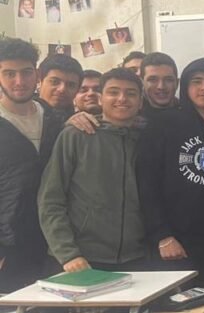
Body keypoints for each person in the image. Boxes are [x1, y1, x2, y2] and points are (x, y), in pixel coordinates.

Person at [136, 58, 204, 288]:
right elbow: (147, 184)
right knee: (176, 308)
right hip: (174, 242)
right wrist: (162, 236)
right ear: (185, 87)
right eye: (196, 81)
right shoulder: (162, 124)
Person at [37, 68, 148, 272]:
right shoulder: (76, 135)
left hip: (136, 258)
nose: (122, 98)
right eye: (113, 92)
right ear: (101, 98)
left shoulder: (147, 139)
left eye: (131, 93)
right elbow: (51, 199)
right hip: (80, 259)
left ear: (140, 101)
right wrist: (68, 253)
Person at [0, 38, 63, 292]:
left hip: (56, 244)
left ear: (37, 74)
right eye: (9, 73)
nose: (19, 81)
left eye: (26, 72)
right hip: (11, 247)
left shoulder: (56, 120)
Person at [36, 53, 83, 121]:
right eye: (54, 82)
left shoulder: (81, 123)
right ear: (39, 80)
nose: (62, 89)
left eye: (70, 85)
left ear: (77, 89)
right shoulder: (23, 116)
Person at [140, 52, 179, 118]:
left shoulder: (191, 117)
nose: (161, 87)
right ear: (142, 83)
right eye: (153, 80)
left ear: (177, 83)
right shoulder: (130, 119)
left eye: (168, 80)